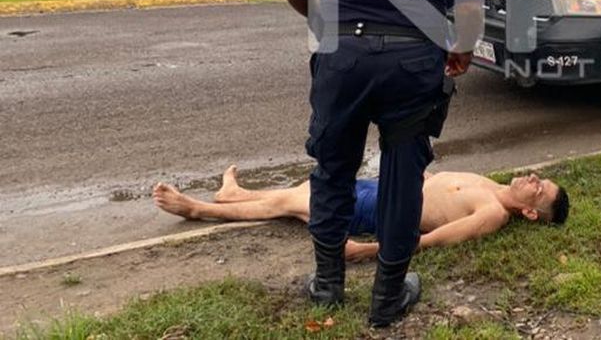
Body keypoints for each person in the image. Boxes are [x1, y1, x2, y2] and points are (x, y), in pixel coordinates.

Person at [279, 0, 485, 328]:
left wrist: (327, 25)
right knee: (402, 177)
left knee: (333, 170)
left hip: (342, 59)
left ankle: (328, 284)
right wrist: (460, 50)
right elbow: (469, 8)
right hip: (412, 64)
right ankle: (388, 296)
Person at [152, 165, 568, 259]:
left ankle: (198, 209)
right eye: (540, 177)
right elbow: (440, 184)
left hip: (384, 208)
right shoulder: (492, 184)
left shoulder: (493, 212)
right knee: (310, 190)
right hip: (389, 186)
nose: (534, 178)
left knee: (294, 204)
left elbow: (430, 240)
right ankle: (236, 194)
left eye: (539, 188)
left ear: (531, 213)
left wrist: (364, 251)